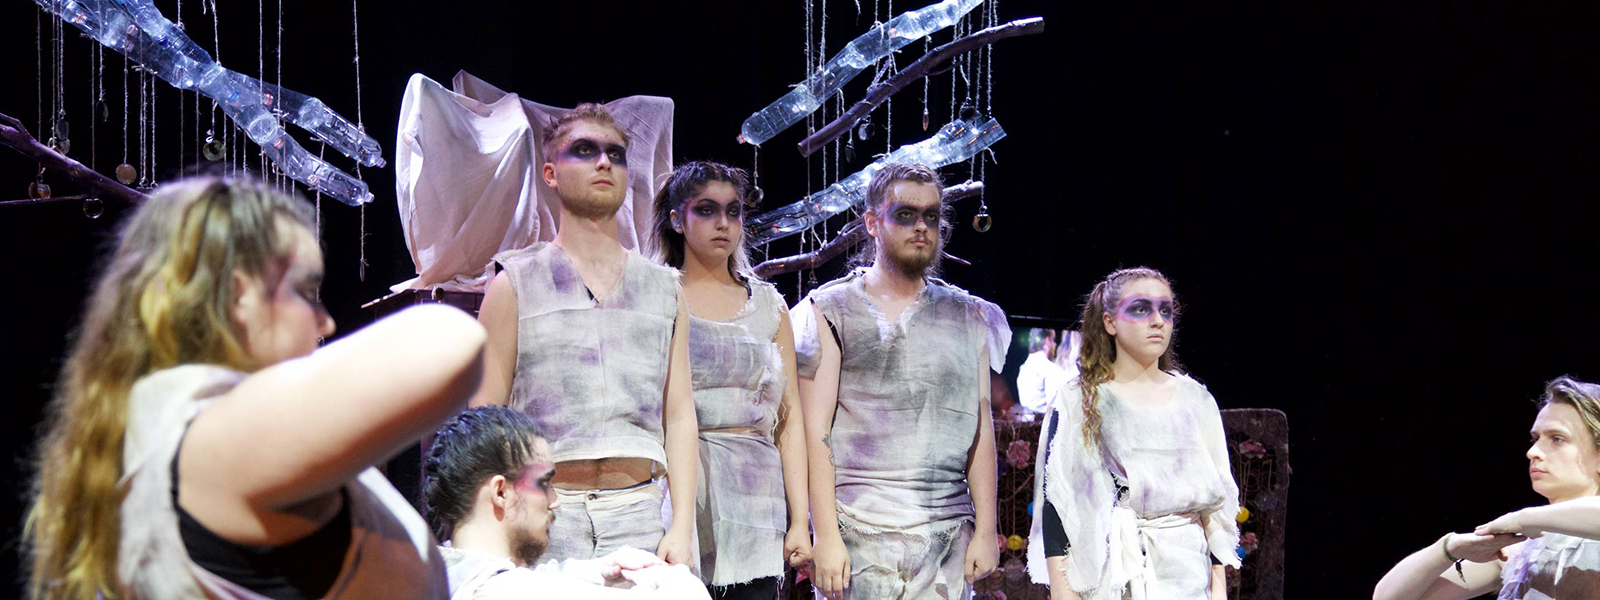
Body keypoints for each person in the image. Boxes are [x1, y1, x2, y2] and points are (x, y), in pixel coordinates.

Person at [25, 177, 485, 600]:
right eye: (305, 293)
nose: (326, 323)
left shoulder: (161, 432)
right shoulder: (214, 438)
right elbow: (449, 339)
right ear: (237, 296)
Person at [470, 103, 697, 565]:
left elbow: (679, 414)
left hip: (639, 515)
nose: (604, 163)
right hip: (546, 517)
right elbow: (485, 419)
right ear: (550, 174)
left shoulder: (664, 289)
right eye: (585, 150)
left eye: (616, 154)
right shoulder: (515, 284)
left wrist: (682, 526)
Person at [792, 162, 1011, 600]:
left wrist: (987, 530)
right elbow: (814, 433)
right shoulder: (831, 309)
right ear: (873, 222)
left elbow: (980, 428)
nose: (921, 227)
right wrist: (826, 535)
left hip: (947, 536)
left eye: (931, 216)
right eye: (905, 215)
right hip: (859, 534)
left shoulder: (968, 315)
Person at [648, 161, 812, 597]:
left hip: (756, 502)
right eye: (706, 210)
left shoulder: (769, 306)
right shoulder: (656, 296)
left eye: (733, 211)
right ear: (677, 220)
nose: (723, 223)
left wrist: (800, 519)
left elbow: (790, 420)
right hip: (676, 498)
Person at [1026, 267, 1239, 600]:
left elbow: (1216, 511)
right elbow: (1058, 505)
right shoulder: (1078, 401)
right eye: (1141, 308)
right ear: (1110, 322)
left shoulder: (1196, 401)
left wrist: (1219, 590)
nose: (1157, 321)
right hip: (1113, 580)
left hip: (1188, 578)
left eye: (1165, 310)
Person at [424, 407, 710, 599]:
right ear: (501, 492)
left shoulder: (440, 571)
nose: (555, 501)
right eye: (544, 483)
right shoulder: (502, 591)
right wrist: (676, 579)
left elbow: (544, 576)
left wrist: (604, 567)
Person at [1372, 376, 1600, 600]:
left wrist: (1523, 518)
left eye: (1557, 439)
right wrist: (1447, 549)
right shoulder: (1520, 551)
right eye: (1535, 439)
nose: (1532, 452)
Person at [1017, 328, 1067, 414]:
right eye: (1053, 340)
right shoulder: (1049, 368)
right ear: (1047, 341)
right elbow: (1055, 406)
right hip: (1044, 420)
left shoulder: (1024, 368)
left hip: (1025, 420)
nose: (1055, 344)